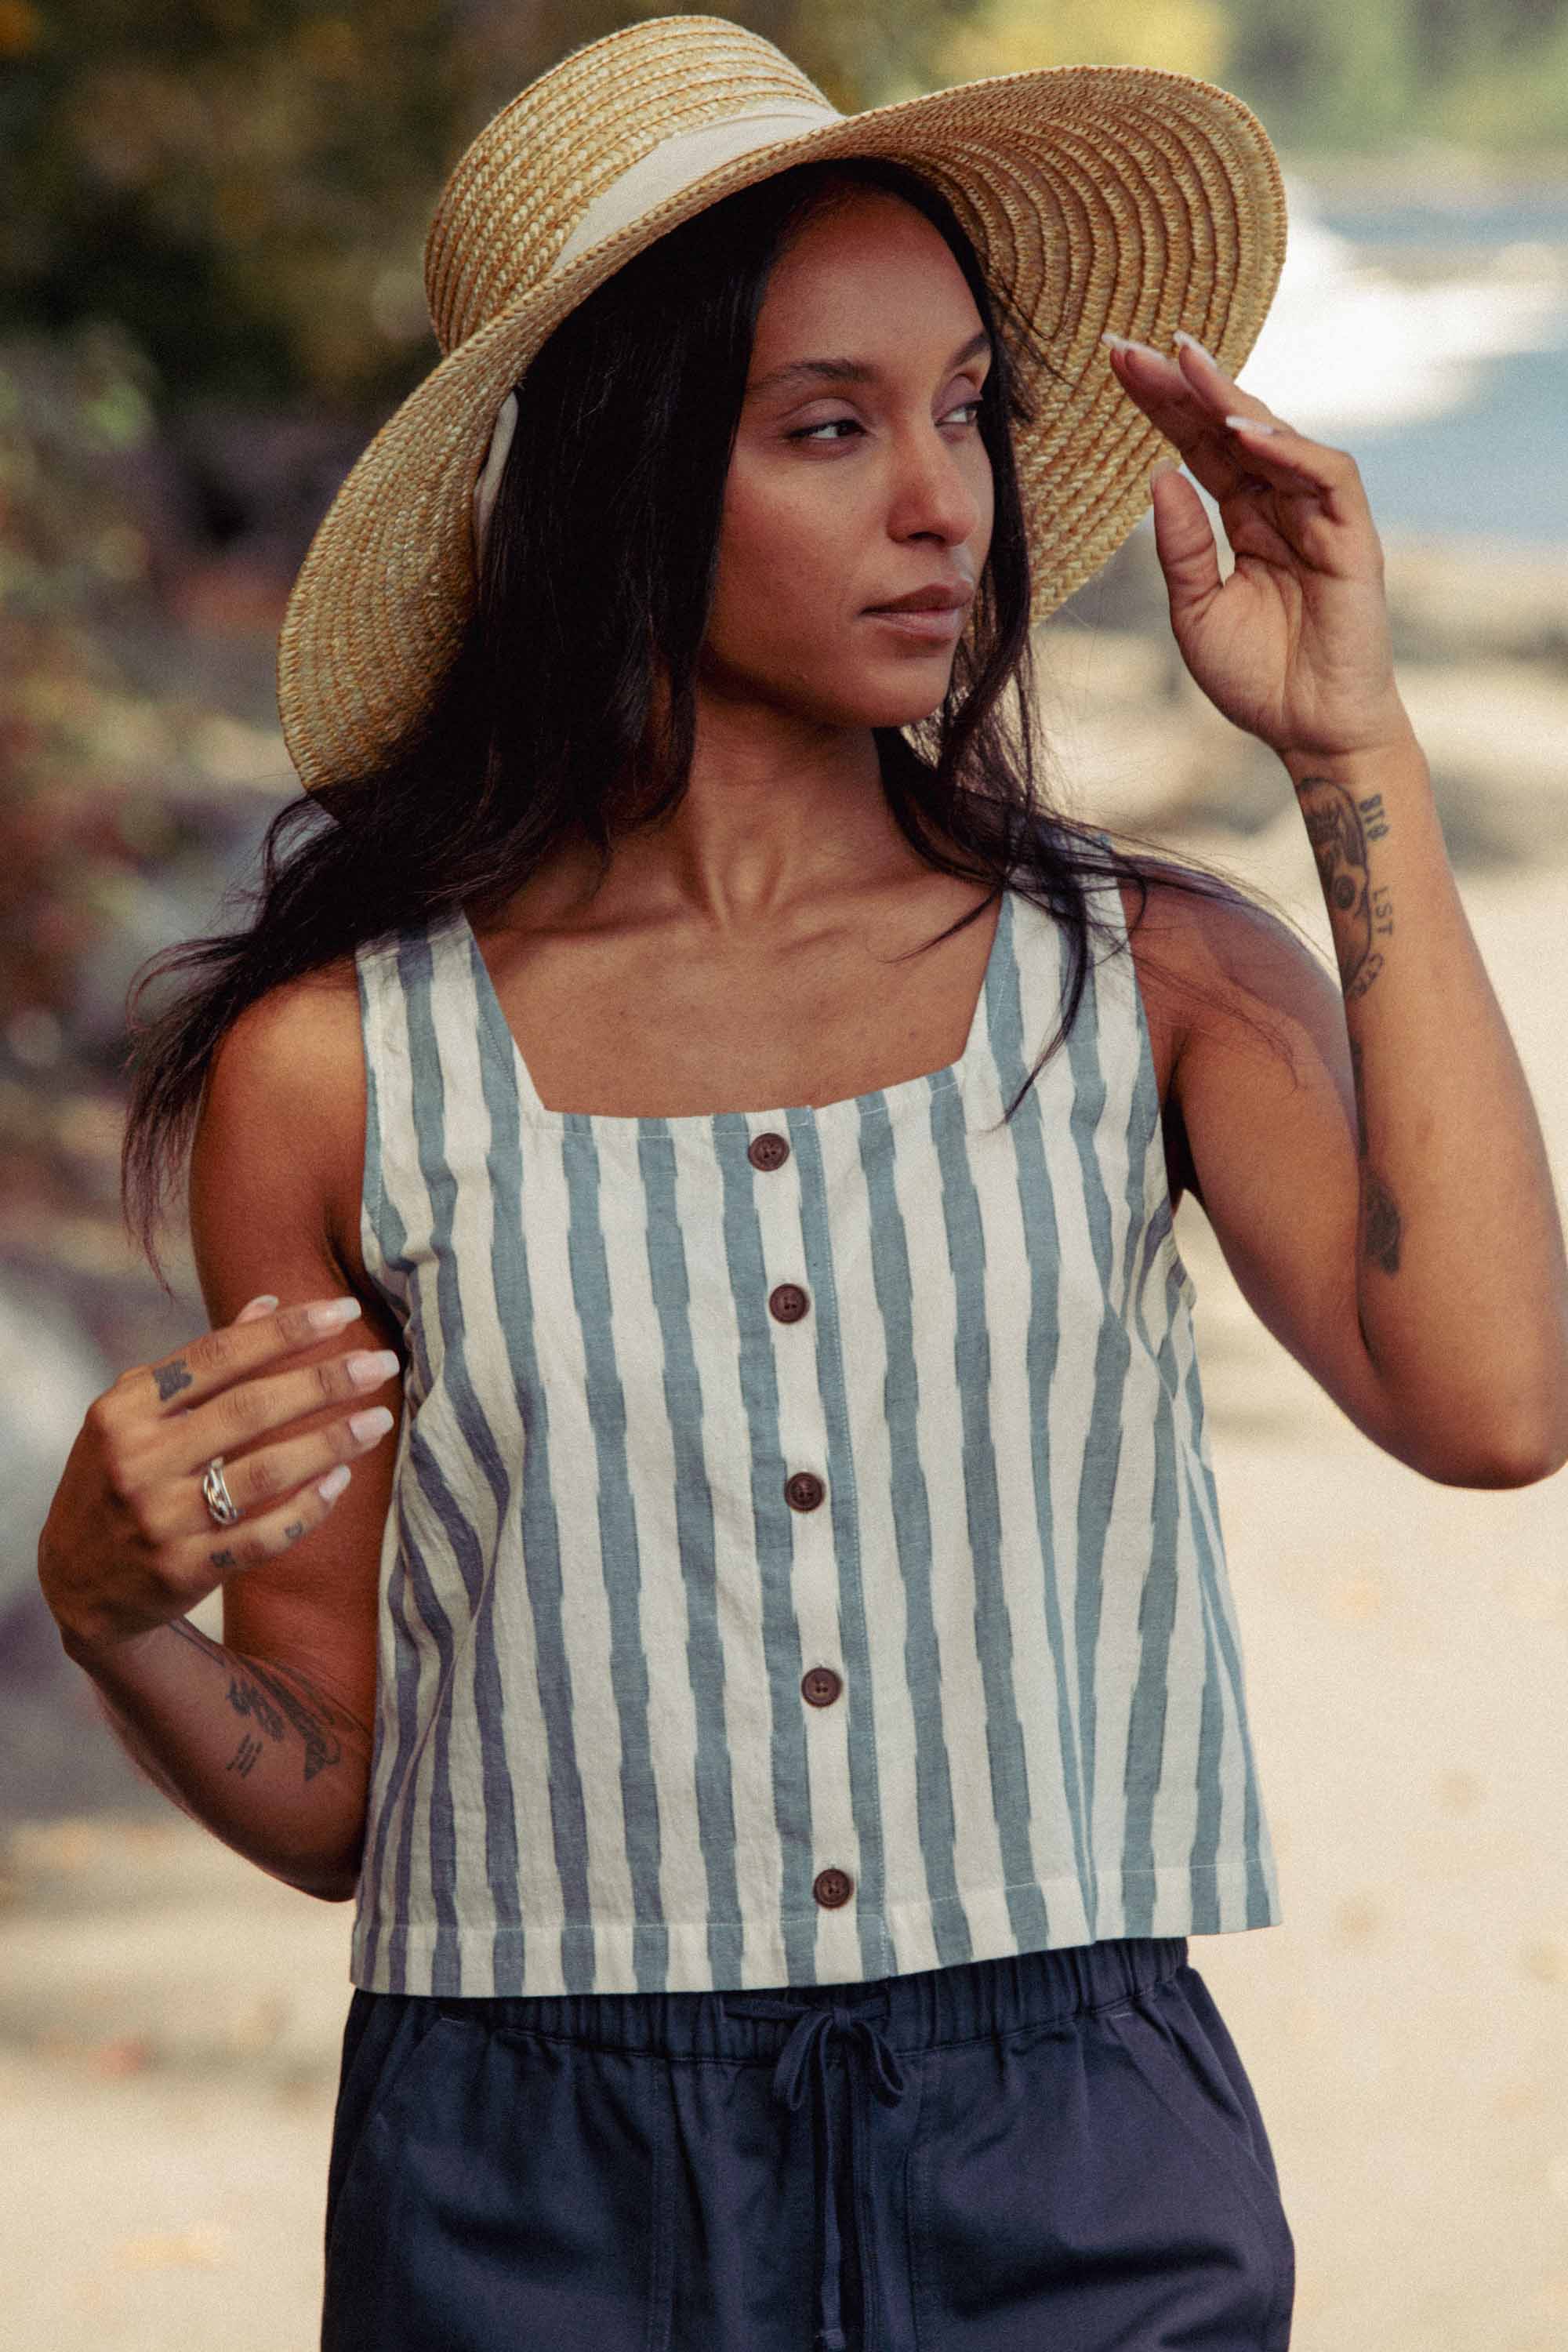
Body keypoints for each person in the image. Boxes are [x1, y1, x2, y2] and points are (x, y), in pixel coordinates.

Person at [38, 17, 1568, 2352]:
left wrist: (1356, 742)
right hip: (531, 2184)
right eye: (828, 429)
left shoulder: (1144, 976)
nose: (944, 501)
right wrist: (116, 1607)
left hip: (1071, 2146)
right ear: (626, 488)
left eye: (960, 411)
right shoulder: (338, 1072)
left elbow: (1491, 1401)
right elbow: (343, 1788)